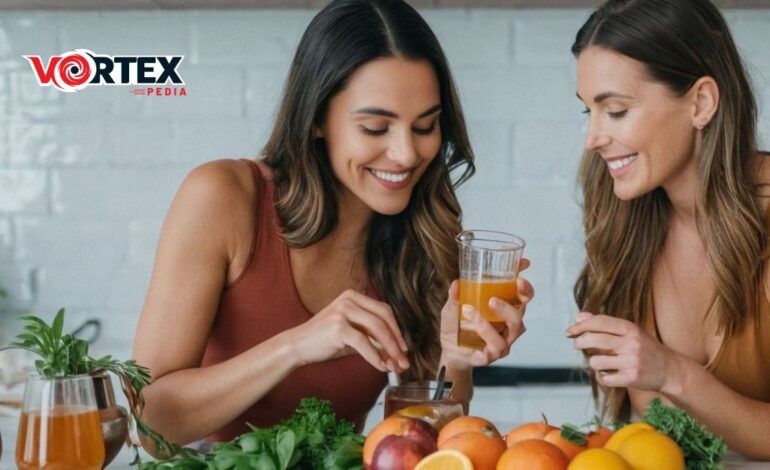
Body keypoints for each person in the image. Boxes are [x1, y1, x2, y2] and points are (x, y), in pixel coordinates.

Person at [132, 0, 533, 448]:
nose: (406, 154)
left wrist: (457, 359)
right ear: (318, 118)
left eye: (425, 127)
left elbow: (419, 440)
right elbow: (148, 423)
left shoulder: (418, 233)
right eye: (376, 128)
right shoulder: (224, 196)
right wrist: (296, 346)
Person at [566, 0, 770, 459]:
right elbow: (665, 436)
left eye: (615, 111)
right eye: (588, 112)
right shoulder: (629, 219)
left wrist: (673, 373)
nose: (593, 138)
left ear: (700, 103)